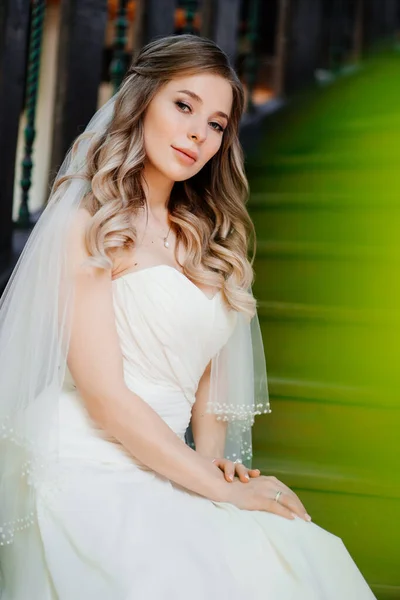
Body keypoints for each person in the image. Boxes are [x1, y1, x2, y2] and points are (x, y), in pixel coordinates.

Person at [0, 34, 376, 599]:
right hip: (83, 456)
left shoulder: (214, 242)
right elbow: (106, 398)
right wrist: (218, 491)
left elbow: (210, 403)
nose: (200, 133)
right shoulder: (92, 224)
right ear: (143, 101)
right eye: (184, 105)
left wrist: (218, 479)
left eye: (218, 123)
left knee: (302, 550)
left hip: (169, 463)